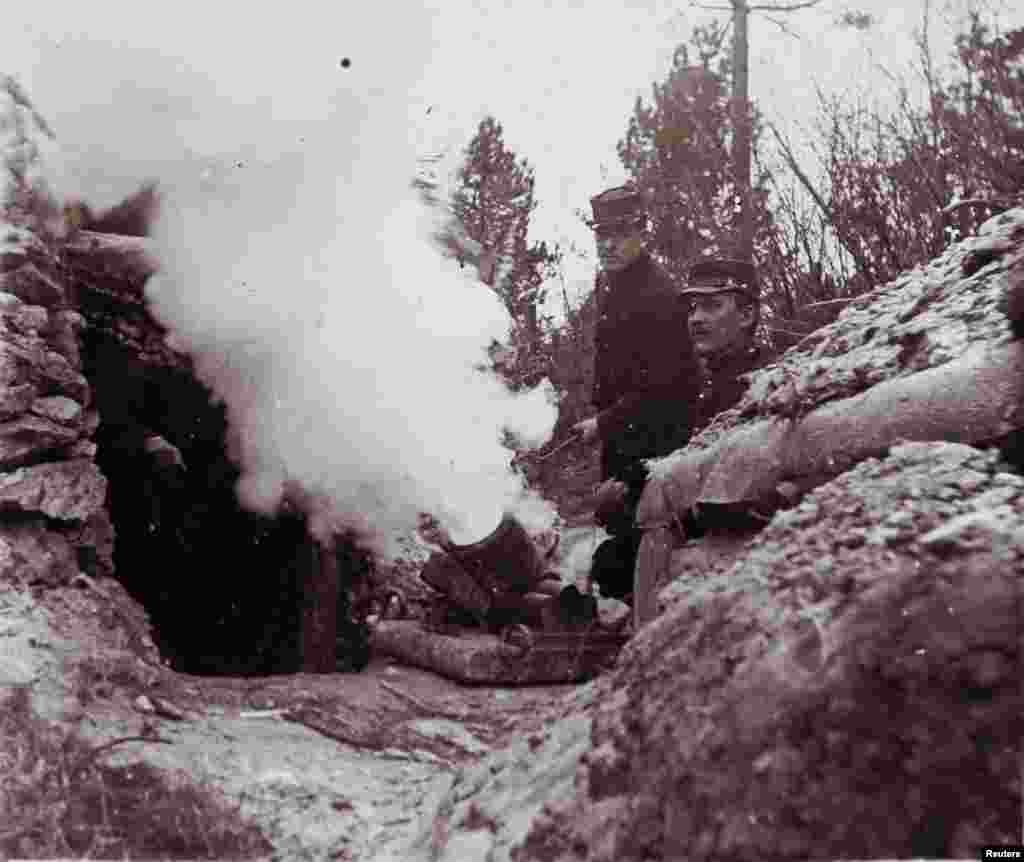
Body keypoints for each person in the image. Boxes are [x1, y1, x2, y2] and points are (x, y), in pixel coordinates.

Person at [571, 184, 699, 602]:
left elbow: (664, 390)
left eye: (618, 233)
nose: (606, 244)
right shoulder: (618, 287)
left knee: (634, 558)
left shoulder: (658, 295)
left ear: (640, 231)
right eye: (600, 234)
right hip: (624, 444)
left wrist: (602, 422)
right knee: (615, 555)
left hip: (654, 450)